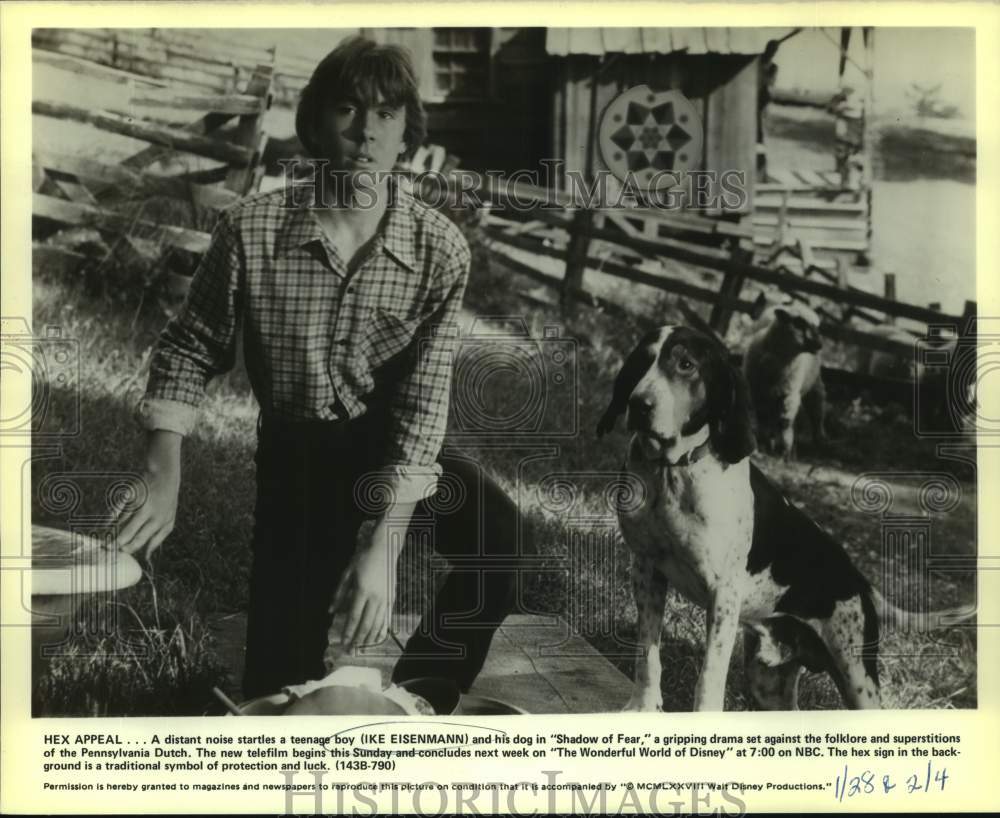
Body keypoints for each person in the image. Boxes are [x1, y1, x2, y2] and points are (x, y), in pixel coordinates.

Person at [116, 36, 526, 699]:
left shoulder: (439, 249)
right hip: (299, 460)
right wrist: (161, 471)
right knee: (283, 680)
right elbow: (191, 347)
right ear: (314, 123)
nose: (366, 132)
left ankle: (419, 696)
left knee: (497, 538)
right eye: (347, 109)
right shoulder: (251, 231)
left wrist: (384, 542)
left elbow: (423, 406)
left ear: (407, 135)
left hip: (393, 446)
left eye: (386, 114)